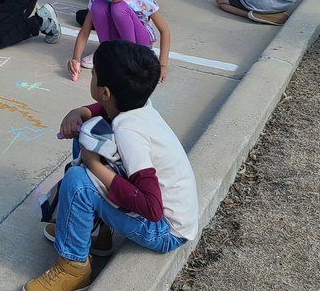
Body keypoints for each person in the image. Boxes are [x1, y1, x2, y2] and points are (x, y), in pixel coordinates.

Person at [27, 42, 197, 291]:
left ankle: (73, 267)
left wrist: (92, 165)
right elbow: (104, 113)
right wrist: (80, 111)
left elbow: (151, 207)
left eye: (93, 73)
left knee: (79, 181)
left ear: (105, 91)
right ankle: (98, 235)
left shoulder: (130, 133)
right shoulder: (137, 107)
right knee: (91, 131)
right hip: (169, 218)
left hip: (164, 231)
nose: (91, 75)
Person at [67, 0, 171, 81]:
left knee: (119, 8)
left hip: (139, 43)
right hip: (115, 40)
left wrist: (163, 64)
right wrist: (75, 59)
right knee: (98, 6)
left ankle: (131, 60)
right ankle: (110, 54)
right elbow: (85, 30)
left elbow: (164, 30)